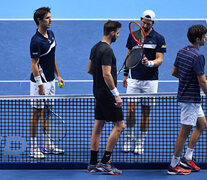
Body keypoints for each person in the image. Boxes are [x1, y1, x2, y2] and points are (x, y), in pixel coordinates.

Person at [123, 10, 166, 154]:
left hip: (150, 81)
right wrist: (124, 74)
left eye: (148, 23)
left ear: (153, 23)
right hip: (133, 78)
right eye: (143, 21)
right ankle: (129, 137)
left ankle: (140, 142)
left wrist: (150, 63)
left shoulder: (159, 38)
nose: (145, 24)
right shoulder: (133, 35)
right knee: (130, 111)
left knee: (145, 113)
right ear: (140, 19)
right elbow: (129, 54)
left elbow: (160, 59)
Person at [87, 20, 125, 175]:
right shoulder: (108, 51)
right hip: (108, 95)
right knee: (120, 126)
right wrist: (116, 94)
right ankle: (105, 162)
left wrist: (106, 75)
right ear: (112, 33)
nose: (118, 35)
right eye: (117, 32)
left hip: (98, 92)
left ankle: (92, 163)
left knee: (99, 125)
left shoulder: (95, 47)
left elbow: (90, 69)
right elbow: (106, 74)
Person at [168, 25, 207, 175]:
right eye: (204, 36)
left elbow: (174, 72)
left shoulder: (182, 51)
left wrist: (186, 79)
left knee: (202, 124)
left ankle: (187, 158)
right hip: (190, 99)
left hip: (190, 97)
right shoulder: (198, 56)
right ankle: (174, 165)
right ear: (198, 39)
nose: (206, 38)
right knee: (184, 132)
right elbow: (202, 81)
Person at [29, 7, 65, 159]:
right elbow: (34, 64)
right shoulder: (35, 41)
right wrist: (40, 85)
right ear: (39, 20)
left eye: (50, 17)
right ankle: (33, 147)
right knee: (37, 113)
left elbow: (52, 56)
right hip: (40, 83)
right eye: (48, 18)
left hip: (51, 82)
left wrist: (58, 75)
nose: (51, 20)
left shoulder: (51, 34)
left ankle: (47, 143)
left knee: (48, 112)